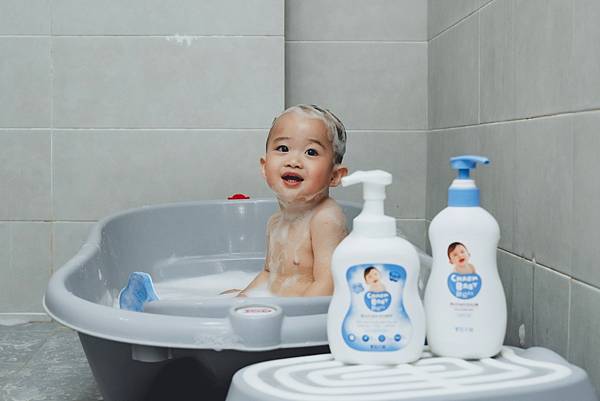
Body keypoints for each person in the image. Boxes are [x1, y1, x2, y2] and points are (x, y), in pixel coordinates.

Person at [223, 104, 349, 297]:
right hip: (280, 307)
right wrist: (242, 299)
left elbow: (329, 284)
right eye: (283, 148)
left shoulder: (325, 219)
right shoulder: (275, 222)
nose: (293, 161)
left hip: (307, 312)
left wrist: (293, 313)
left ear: (334, 176)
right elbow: (269, 274)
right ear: (264, 166)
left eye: (311, 152)